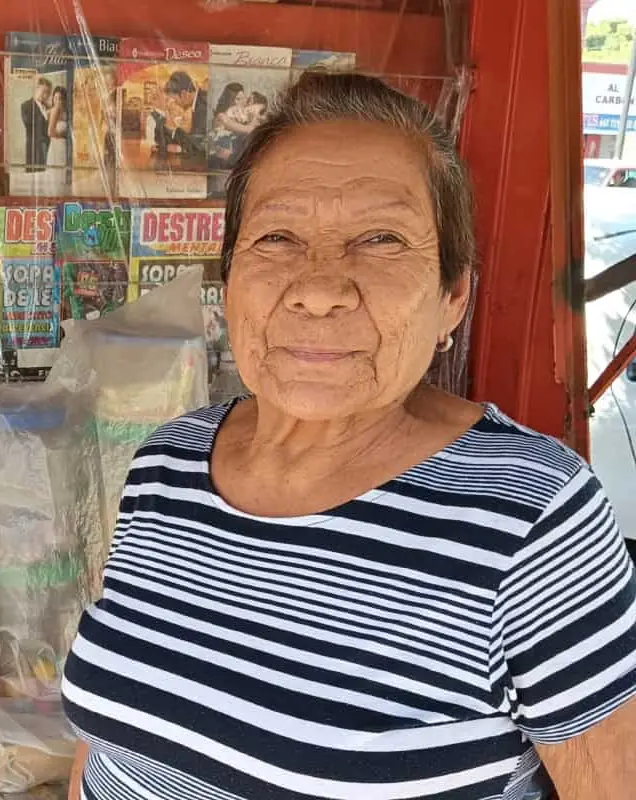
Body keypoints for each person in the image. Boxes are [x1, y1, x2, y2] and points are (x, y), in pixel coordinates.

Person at [63, 71, 636, 799]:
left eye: (381, 239)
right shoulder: (167, 464)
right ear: (229, 276)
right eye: (277, 237)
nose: (320, 286)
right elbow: (110, 739)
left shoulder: (529, 514)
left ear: (452, 296)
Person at [21, 77, 53, 173]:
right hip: (35, 149)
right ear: (36, 89)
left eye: (48, 93)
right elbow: (29, 123)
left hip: (48, 148)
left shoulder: (48, 107)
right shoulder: (26, 105)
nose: (45, 95)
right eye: (43, 91)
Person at [46, 85, 70, 169]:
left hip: (64, 147)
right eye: (55, 98)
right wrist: (64, 136)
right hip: (57, 146)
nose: (57, 101)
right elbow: (50, 132)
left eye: (60, 98)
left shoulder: (66, 112)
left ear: (64, 100)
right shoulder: (55, 110)